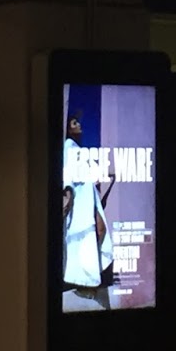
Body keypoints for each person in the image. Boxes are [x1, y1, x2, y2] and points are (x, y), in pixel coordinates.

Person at [62, 112, 116, 311]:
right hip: (80, 201)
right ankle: (84, 284)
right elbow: (67, 176)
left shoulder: (76, 148)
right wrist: (68, 195)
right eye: (75, 123)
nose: (79, 126)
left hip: (88, 198)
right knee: (89, 237)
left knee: (100, 232)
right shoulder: (68, 147)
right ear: (68, 127)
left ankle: (90, 282)